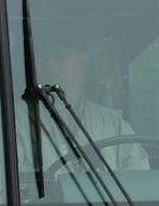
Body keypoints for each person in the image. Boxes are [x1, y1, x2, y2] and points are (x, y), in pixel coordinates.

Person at [41, 34, 150, 170]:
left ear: (84, 61)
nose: (49, 65)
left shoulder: (115, 126)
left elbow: (139, 184)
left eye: (59, 56)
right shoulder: (18, 123)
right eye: (45, 58)